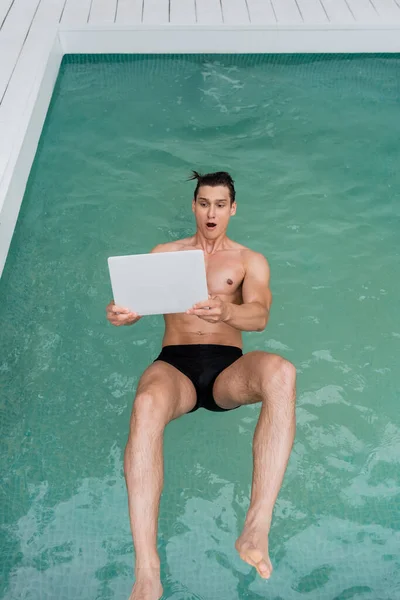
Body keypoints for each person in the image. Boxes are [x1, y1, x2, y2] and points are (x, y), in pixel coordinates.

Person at [106, 171, 296, 600]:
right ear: (194, 206)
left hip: (228, 369)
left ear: (233, 209)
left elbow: (260, 316)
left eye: (220, 204)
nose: (211, 212)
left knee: (282, 373)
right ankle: (147, 570)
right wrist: (123, 314)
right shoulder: (164, 254)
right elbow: (134, 304)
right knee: (146, 403)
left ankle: (256, 526)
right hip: (176, 366)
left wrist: (226, 313)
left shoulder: (250, 260)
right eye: (204, 203)